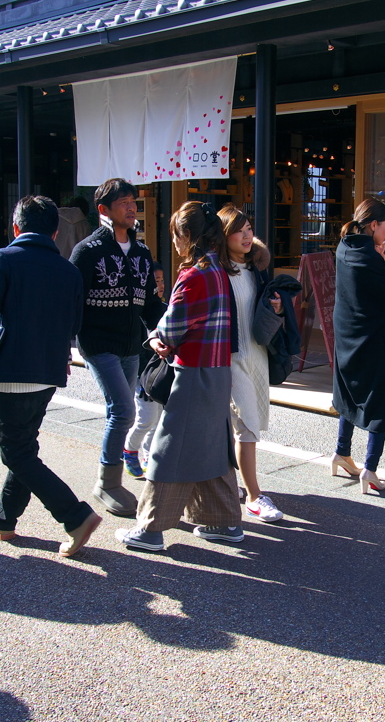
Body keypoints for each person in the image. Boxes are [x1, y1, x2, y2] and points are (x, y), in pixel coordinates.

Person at [0, 195, 101, 556]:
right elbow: (75, 324)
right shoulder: (69, 270)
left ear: (15, 227)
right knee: (24, 447)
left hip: (12, 371)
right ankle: (3, 518)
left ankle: (75, 515)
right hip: (50, 372)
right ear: (54, 231)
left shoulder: (3, 258)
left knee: (17, 454)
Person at [115, 201, 242, 552]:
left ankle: (150, 530)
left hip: (193, 372)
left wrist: (155, 337)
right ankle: (223, 522)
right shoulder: (218, 269)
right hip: (217, 372)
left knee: (168, 449)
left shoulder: (194, 274)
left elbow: (171, 330)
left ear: (187, 235)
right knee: (213, 448)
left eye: (175, 234)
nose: (173, 241)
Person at [70, 178, 163, 517]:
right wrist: (64, 346)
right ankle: (107, 483)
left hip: (131, 347)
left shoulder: (141, 252)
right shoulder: (87, 251)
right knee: (123, 411)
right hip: (98, 345)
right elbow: (72, 301)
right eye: (123, 202)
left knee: (119, 413)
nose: (131, 206)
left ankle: (111, 479)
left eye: (132, 201)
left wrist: (164, 328)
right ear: (103, 210)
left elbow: (150, 302)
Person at [218, 204, 283, 522]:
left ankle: (235, 484)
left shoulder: (256, 268)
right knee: (246, 427)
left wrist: (276, 307)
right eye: (238, 230)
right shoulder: (216, 271)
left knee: (245, 424)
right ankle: (255, 496)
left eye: (249, 229)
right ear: (224, 235)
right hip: (230, 357)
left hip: (257, 354)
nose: (246, 236)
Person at [331, 197, 385, 494]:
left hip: (347, 335)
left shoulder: (345, 246)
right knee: (379, 399)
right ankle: (370, 470)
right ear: (373, 225)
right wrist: (384, 263)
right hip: (372, 338)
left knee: (349, 392)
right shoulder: (372, 258)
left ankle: (342, 453)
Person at [124, 260, 165, 478]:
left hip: (162, 373)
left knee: (158, 420)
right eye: (154, 280)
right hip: (143, 374)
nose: (159, 285)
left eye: (161, 280)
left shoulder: (167, 308)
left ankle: (150, 456)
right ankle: (130, 450)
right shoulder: (138, 312)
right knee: (146, 419)